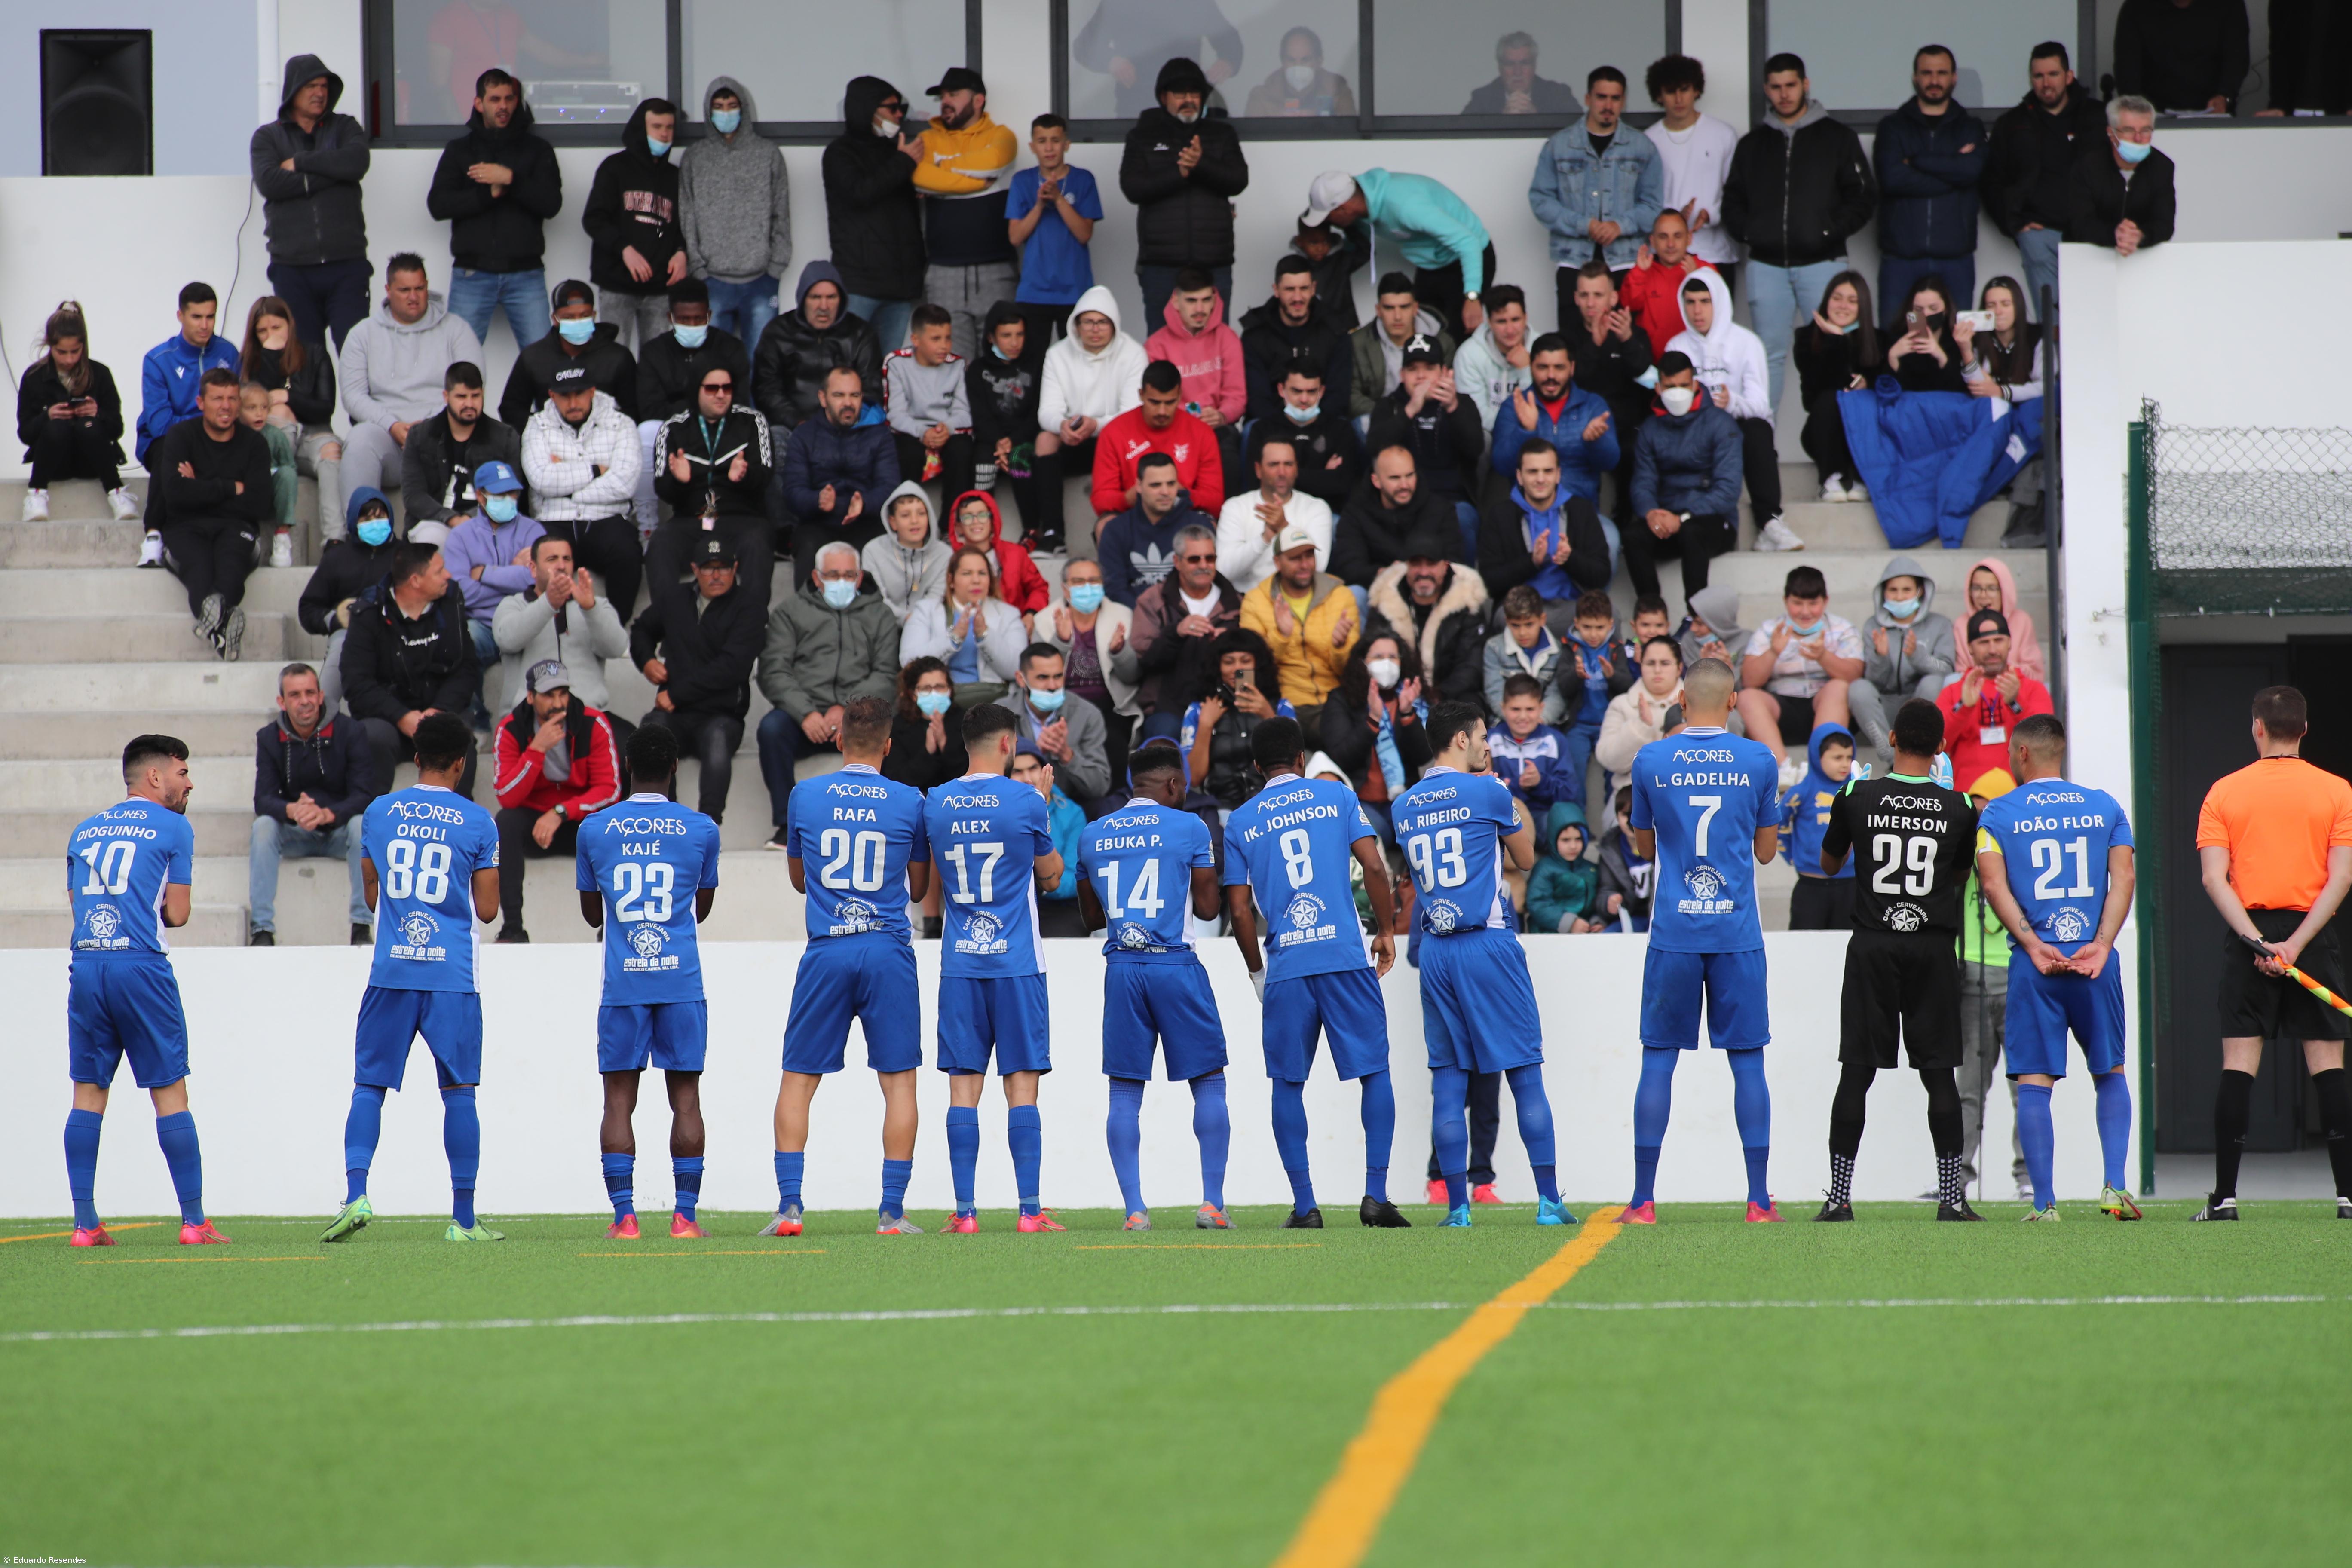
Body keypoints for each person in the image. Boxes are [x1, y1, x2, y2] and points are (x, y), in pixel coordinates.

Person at [321, 712, 503, 1244]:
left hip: (392, 971)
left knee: (369, 1087)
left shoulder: (379, 812)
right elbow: (489, 910)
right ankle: (463, 1221)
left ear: (416, 757)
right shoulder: (478, 821)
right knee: (460, 1093)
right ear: (462, 765)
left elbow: (372, 894)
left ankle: (356, 1194)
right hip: (451, 976)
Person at [1395, 703, 1575, 1227]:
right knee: (1524, 1072)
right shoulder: (1488, 791)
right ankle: (1548, 1202)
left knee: (1449, 1081)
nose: (1486, 746)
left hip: (1436, 949)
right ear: (1459, 739)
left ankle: (1456, 1208)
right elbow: (1526, 857)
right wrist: (1507, 794)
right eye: (1480, 738)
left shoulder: (1406, 805)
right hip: (1487, 942)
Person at [1224, 716, 1407, 1228]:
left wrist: (1258, 974)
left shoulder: (1241, 821)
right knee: (1374, 1072)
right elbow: (1374, 868)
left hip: (1288, 967)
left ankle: (1306, 1206)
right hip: (1345, 958)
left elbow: (1239, 911)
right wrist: (1387, 931)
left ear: (1258, 768)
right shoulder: (1338, 799)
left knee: (1287, 1083)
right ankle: (1375, 1196)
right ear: (1301, 759)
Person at [1623, 657, 1784, 1223]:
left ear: (1683, 701)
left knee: (1659, 1062)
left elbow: (1644, 849)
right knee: (1748, 1064)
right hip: (1736, 932)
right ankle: (1759, 1201)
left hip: (1675, 931)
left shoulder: (1653, 758)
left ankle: (1643, 1201)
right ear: (1735, 701)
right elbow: (1767, 852)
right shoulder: (1758, 759)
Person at [1811, 698, 1983, 1219]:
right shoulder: (1960, 807)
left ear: (1890, 740)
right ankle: (1952, 1199)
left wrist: (1846, 801)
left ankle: (1840, 1198)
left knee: (1856, 1072)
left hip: (1872, 946)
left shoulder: (1858, 796)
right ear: (1939, 749)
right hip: (1932, 948)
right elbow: (1957, 877)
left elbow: (1828, 862)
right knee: (1939, 1074)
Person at [768, 695, 933, 1235]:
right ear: (888, 745)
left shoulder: (805, 795)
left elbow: (796, 880)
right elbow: (919, 887)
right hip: (886, 948)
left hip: (827, 948)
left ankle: (789, 1207)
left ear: (839, 740)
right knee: (899, 1084)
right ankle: (892, 1212)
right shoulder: (910, 800)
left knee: (798, 1079)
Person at [2190, 686, 2352, 1221]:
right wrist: (2296, 946)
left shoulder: (2224, 792)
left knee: (2238, 1063)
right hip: (2311, 937)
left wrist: (2256, 942)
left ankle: (2224, 1200)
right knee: (2328, 1064)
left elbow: (2215, 880)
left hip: (2250, 938)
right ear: (2304, 730)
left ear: (2257, 727)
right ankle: (2349, 1199)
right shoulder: (2337, 791)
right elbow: (2342, 877)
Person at [1975, 714, 2143, 1219]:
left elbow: (1991, 885)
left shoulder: (1998, 814)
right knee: (2110, 1072)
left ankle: (2045, 1203)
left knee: (2033, 1083)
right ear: (2060, 751)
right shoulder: (2105, 806)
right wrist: (2101, 942)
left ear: (2022, 754)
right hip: (2095, 962)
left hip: (2037, 966)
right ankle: (2114, 1187)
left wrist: (2030, 942)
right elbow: (2125, 877)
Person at [62, 735, 224, 1246]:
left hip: (88, 963)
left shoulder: (84, 831)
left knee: (88, 1094)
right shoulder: (175, 826)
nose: (189, 781)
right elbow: (175, 913)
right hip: (141, 967)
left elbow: (76, 903)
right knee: (170, 1093)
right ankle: (194, 1222)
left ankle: (86, 1225)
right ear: (155, 777)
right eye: (182, 771)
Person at [1076, 739, 1234, 1228]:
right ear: (1172, 784)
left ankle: (1135, 1211)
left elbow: (1089, 917)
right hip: (1175, 966)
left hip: (1122, 967)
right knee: (1208, 1082)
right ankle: (1211, 1203)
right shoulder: (1190, 826)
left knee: (1124, 1093)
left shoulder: (1093, 834)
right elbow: (1209, 909)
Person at [922, 704, 1068, 1231]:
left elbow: (927, 881)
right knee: (1022, 1086)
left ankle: (965, 1213)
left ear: (967, 744)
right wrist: (1043, 806)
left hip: (961, 966)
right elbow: (1052, 878)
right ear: (1008, 745)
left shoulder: (935, 803)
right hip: (1018, 964)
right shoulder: (1027, 801)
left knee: (963, 1089)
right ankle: (1030, 1211)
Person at [575, 723, 723, 1240]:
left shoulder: (594, 829)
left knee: (618, 1101)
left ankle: (625, 1218)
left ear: (629, 768)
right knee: (686, 1100)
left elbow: (593, 914)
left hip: (624, 987)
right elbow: (700, 911)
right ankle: (685, 1218)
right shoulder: (703, 829)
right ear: (676, 768)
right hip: (681, 984)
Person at [1724, 53, 1877, 411]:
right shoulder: (1752, 144)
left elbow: (1863, 197)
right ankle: (1765, 451)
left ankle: (1838, 451)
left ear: (1805, 85)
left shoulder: (1838, 138)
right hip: (1767, 265)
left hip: (1824, 264)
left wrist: (1828, 230)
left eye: (1791, 85)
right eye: (1776, 87)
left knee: (1835, 352)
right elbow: (1732, 200)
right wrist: (1752, 233)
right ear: (1766, 90)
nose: (1784, 94)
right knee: (1766, 359)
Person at [756, 542, 902, 850]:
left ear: (860, 578)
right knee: (771, 729)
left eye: (849, 574)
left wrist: (850, 709)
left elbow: (887, 674)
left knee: (898, 730)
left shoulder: (881, 615)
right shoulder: (789, 613)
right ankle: (788, 825)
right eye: (833, 574)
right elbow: (774, 671)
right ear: (817, 577)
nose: (842, 581)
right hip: (806, 717)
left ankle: (887, 822)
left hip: (861, 716)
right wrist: (805, 712)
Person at [339, 256, 486, 521]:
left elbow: (472, 387)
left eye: (419, 288)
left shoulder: (457, 330)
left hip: (445, 437)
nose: (413, 297)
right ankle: (358, 535)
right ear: (388, 291)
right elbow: (353, 396)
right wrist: (392, 425)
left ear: (427, 286)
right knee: (360, 440)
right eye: (404, 290)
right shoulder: (363, 334)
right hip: (390, 438)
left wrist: (432, 425)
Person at [427, 67, 562, 349]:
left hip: (526, 275)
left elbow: (552, 205)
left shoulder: (538, 150)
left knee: (544, 364)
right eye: (495, 99)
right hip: (472, 274)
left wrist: (511, 179)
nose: (503, 106)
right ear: (479, 103)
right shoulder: (459, 150)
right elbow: (438, 206)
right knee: (460, 363)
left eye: (509, 99)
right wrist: (488, 194)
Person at [490, 658, 622, 941]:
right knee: (505, 823)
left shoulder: (593, 722)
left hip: (578, 824)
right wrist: (536, 750)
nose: (558, 703)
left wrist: (562, 811)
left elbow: (609, 790)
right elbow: (507, 796)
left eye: (563, 693)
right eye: (549, 696)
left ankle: (611, 926)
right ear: (530, 697)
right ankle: (513, 927)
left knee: (612, 825)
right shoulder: (511, 729)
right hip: (535, 826)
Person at [633, 536, 762, 824]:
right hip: (675, 715)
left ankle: (709, 824)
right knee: (651, 733)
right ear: (694, 569)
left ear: (736, 568)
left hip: (723, 714)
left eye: (724, 567)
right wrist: (647, 660)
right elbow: (641, 629)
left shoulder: (749, 607)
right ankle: (665, 818)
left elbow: (732, 668)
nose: (716, 575)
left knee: (717, 742)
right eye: (708, 567)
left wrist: (676, 695)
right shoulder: (676, 598)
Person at [1666, 268, 1796, 551]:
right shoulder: (1677, 345)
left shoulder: (1746, 342)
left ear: (1720, 301)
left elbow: (1761, 405)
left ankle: (1771, 522)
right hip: (1695, 432)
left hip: (1737, 431)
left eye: (1705, 301)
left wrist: (1731, 402)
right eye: (1690, 302)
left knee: (1758, 429)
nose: (1697, 311)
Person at [146, 369, 272, 660]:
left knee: (230, 565)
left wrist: (198, 488)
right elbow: (175, 495)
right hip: (185, 527)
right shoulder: (181, 436)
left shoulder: (255, 444)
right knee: (199, 568)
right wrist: (231, 488)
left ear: (239, 403)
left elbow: (259, 504)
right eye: (217, 399)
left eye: (232, 399)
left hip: (237, 528)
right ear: (201, 403)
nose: (226, 406)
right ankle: (224, 632)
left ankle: (214, 622)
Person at [341, 542, 481, 799]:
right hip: (389, 718)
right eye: (440, 571)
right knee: (372, 737)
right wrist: (402, 716)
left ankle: (454, 824)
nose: (448, 576)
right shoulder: (369, 612)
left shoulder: (450, 600)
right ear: (416, 581)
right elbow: (356, 682)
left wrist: (438, 711)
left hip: (440, 711)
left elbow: (466, 667)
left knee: (456, 737)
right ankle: (372, 817)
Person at [251, 55, 371, 351]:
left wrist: (302, 162)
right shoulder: (268, 136)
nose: (320, 93)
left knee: (358, 356)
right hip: (292, 270)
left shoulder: (345, 127)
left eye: (324, 86)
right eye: (311, 86)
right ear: (293, 90)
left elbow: (357, 162)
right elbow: (270, 183)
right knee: (306, 364)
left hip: (347, 266)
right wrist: (332, 174)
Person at [250, 662, 374, 946]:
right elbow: (263, 799)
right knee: (264, 827)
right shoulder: (269, 738)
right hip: (298, 831)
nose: (304, 701)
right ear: (282, 702)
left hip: (340, 831)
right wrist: (293, 810)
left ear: (321, 696)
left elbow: (364, 795)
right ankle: (262, 931)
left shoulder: (351, 732)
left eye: (310, 693)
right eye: (295, 695)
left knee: (362, 825)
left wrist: (327, 813)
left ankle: (361, 926)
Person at [1121, 57, 1250, 327]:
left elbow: (1239, 180)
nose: (1188, 100)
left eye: (1195, 93)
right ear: (1163, 97)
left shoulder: (1222, 134)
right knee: (1162, 350)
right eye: (1180, 93)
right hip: (1160, 267)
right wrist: (1178, 173)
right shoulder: (1141, 136)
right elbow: (1133, 188)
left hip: (1214, 264)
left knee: (1215, 349)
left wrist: (1201, 164)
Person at [1528, 66, 1664, 315]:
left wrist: (1619, 226)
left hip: (1626, 260)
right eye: (1601, 97)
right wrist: (1584, 225)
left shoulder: (1643, 148)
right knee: (1574, 341)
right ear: (1588, 98)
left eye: (1615, 98)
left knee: (1624, 337)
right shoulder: (1559, 146)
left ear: (1624, 101)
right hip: (1574, 260)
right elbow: (1541, 201)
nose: (1608, 105)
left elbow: (1654, 206)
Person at [1304, 169, 1494, 341]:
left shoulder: (1406, 206)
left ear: (1344, 209)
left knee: (1457, 336)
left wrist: (1472, 298)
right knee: (1418, 335)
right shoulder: (1360, 211)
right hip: (1432, 265)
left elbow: (1468, 242)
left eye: (1328, 217)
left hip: (1469, 257)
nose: (1329, 224)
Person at [1985, 43, 2106, 312]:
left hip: (2092, 233)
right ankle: (2053, 355)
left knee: (2094, 315)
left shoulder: (2097, 117)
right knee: (2052, 322)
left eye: (2053, 74)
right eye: (2038, 76)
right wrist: (2014, 224)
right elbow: (1992, 180)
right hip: (2041, 236)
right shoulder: (2013, 123)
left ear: (2069, 76)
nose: (2046, 83)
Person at [1956, 765, 2030, 1200]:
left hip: (2019, 979)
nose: (1980, 822)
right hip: (1970, 980)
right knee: (1968, 1091)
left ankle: (2028, 1179)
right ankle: (1957, 1179)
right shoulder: (1963, 857)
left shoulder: (2022, 857)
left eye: (1990, 813)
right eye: (1976, 811)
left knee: (2027, 1090)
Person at [1873, 46, 1988, 329]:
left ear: (1954, 78)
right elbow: (1893, 179)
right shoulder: (1893, 127)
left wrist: (1917, 161)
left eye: (1941, 73)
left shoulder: (1970, 127)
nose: (1934, 80)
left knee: (1955, 341)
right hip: (1902, 261)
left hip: (1955, 260)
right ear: (1915, 78)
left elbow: (1971, 172)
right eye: (1927, 73)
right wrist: (1952, 172)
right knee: (1897, 337)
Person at [523, 364, 646, 622]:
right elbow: (542, 480)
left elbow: (624, 484)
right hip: (554, 519)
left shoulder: (621, 424)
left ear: (593, 391)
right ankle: (558, 633)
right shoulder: (537, 425)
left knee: (626, 550)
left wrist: (566, 489)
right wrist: (596, 470)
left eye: (579, 394)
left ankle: (615, 628)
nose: (573, 402)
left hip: (606, 518)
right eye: (565, 396)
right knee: (542, 556)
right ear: (552, 396)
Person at [646, 360, 774, 609]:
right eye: (712, 388)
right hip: (691, 520)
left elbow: (766, 477)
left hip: (743, 519)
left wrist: (744, 476)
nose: (721, 395)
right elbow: (662, 489)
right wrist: (680, 482)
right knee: (661, 542)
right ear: (696, 389)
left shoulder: (753, 421)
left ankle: (751, 626)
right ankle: (669, 626)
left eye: (727, 388)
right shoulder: (673, 428)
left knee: (757, 542)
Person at [912, 68, 1019, 361]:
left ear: (978, 100)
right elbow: (918, 176)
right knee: (951, 369)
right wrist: (976, 181)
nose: (945, 101)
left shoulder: (1002, 136)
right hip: (943, 273)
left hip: (997, 272)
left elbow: (994, 162)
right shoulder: (927, 139)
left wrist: (942, 172)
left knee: (1001, 366)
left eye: (954, 95)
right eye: (943, 96)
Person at [678, 76, 790, 349]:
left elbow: (781, 212)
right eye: (718, 106)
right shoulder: (695, 157)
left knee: (762, 364)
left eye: (731, 105)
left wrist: (776, 266)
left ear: (744, 108)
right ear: (708, 111)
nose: (726, 112)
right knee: (716, 367)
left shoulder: (768, 154)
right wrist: (698, 267)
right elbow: (687, 213)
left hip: (762, 280)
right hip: (712, 281)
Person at [1035, 287, 1149, 553]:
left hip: (1118, 442)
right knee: (1044, 439)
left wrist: (1096, 425)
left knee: (1138, 438)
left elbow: (1133, 414)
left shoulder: (1133, 354)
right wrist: (1061, 426)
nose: (1095, 329)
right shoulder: (1057, 354)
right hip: (1075, 439)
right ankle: (1053, 533)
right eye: (1088, 322)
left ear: (1114, 324)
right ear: (1076, 324)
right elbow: (1047, 411)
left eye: (1102, 322)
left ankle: (1126, 530)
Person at [634, 280, 755, 524]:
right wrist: (694, 413)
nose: (691, 325)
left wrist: (706, 411)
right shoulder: (654, 352)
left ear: (709, 316)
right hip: (674, 429)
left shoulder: (730, 348)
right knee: (645, 431)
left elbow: (739, 401)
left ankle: (733, 517)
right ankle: (647, 526)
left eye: (698, 319)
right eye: (684, 320)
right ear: (671, 317)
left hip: (721, 425)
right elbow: (650, 408)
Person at [1626, 352, 1743, 604]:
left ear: (1694, 384)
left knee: (1692, 532)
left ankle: (1696, 619)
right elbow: (1643, 482)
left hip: (1712, 523)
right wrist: (1650, 513)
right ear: (1658, 388)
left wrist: (1684, 517)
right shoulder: (1650, 429)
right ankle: (1651, 615)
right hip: (1667, 521)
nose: (1677, 392)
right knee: (1634, 536)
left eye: (1683, 385)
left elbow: (1728, 491)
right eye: (1669, 387)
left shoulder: (1721, 424)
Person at [824, 77, 927, 352]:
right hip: (859, 284)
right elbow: (860, 192)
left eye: (902, 108)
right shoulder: (839, 153)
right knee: (849, 368)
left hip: (900, 286)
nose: (900, 115)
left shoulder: (897, 152)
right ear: (868, 109)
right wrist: (904, 164)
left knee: (884, 373)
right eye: (893, 108)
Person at [1739, 564, 1863, 781]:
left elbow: (1855, 675)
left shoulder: (1843, 629)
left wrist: (1824, 656)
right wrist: (1774, 652)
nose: (1805, 612)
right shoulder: (1770, 630)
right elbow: (1749, 680)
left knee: (1840, 687)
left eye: (1813, 604)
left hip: (1827, 707)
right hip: (1780, 709)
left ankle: (1819, 767)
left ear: (1826, 601)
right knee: (1747, 697)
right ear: (1786, 601)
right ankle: (1782, 768)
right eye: (1797, 604)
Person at [582, 98, 685, 356]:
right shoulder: (614, 168)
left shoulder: (676, 177)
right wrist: (624, 249)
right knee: (613, 361)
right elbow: (594, 218)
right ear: (642, 128)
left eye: (670, 127)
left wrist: (683, 252)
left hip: (661, 288)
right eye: (657, 126)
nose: (664, 134)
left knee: (659, 364)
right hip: (617, 284)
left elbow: (687, 224)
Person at [437, 459, 542, 708]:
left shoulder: (534, 531)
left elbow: (536, 580)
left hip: (526, 621)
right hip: (483, 624)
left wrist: (484, 573)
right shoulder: (461, 536)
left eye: (512, 493)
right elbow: (461, 592)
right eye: (500, 493)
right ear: (481, 497)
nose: (509, 498)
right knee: (462, 640)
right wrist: (514, 574)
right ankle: (478, 723)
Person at [784, 364, 900, 588]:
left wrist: (865, 504)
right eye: (839, 395)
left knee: (876, 551)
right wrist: (817, 501)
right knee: (808, 546)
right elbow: (792, 492)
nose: (848, 403)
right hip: (818, 523)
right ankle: (807, 621)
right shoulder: (804, 435)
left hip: (866, 521)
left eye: (854, 395)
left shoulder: (880, 434)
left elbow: (890, 488)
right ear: (823, 398)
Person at [136, 283, 242, 528]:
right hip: (172, 441)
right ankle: (154, 534)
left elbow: (237, 408)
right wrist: (210, 424)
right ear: (180, 316)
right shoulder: (158, 360)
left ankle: (245, 531)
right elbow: (161, 425)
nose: (205, 326)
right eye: (197, 317)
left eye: (211, 317)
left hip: (219, 438)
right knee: (167, 448)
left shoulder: (229, 353)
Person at [18, 302, 132, 524]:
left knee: (88, 425)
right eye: (62, 352)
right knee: (56, 426)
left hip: (92, 460)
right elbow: (25, 434)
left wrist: (97, 414)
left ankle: (117, 492)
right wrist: (47, 416)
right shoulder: (34, 377)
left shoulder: (100, 374)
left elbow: (117, 429)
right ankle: (37, 494)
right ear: (49, 346)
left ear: (84, 346)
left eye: (75, 352)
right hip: (53, 462)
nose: (70, 360)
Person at [240, 295, 343, 541]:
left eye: (277, 328)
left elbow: (325, 409)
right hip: (275, 443)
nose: (271, 336)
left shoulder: (315, 354)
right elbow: (254, 412)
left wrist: (289, 397)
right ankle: (278, 525)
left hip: (312, 437)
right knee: (277, 412)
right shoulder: (250, 361)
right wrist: (268, 357)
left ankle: (335, 538)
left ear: (290, 325)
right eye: (262, 331)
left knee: (331, 450)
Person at [1562, 262, 1657, 527]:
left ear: (1614, 298)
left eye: (1598, 295)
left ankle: (1626, 521)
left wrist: (1626, 340)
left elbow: (1647, 377)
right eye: (1585, 295)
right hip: (1579, 423)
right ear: (1576, 299)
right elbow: (1569, 382)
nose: (1591, 303)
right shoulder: (1568, 338)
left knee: (1634, 449)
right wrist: (1594, 344)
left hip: (1627, 425)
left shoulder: (1634, 333)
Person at [1366, 337, 1483, 550]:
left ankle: (1464, 583)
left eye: (1429, 368)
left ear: (1443, 372)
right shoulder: (1389, 406)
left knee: (1464, 519)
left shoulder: (1462, 403)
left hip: (1453, 501)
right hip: (1403, 500)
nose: (1421, 376)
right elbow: (1374, 449)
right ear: (1402, 375)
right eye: (1413, 369)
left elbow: (1475, 449)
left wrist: (1453, 408)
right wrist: (1410, 411)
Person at [1128, 524, 1241, 743]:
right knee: (1163, 744)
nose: (1204, 565)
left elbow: (1249, 666)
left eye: (1210, 558)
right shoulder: (1153, 600)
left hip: (1226, 704)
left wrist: (1228, 645)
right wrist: (1176, 633)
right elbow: (1144, 662)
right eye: (1194, 559)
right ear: (1177, 562)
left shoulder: (1237, 603)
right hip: (1167, 707)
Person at [1958, 276, 2050, 545]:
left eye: (2005, 304)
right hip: (1996, 414)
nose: (1998, 311)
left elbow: (2046, 386)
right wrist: (1966, 350)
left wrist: (2003, 391)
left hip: (2028, 414)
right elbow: (1978, 388)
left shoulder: (2037, 336)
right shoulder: (1980, 338)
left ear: (2018, 306)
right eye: (1991, 305)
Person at [493, 533, 629, 714]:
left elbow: (617, 648)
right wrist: (548, 604)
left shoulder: (596, 605)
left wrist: (591, 609)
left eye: (567, 559)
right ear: (533, 569)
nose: (562, 566)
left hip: (589, 715)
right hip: (527, 717)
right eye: (552, 559)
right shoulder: (513, 605)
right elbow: (507, 640)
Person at [1365, 521, 1491, 712]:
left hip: (1449, 695)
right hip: (1397, 694)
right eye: (1416, 564)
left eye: (1431, 564)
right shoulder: (1385, 601)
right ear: (1407, 567)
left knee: (1472, 703)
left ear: (1445, 566)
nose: (1424, 572)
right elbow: (1374, 656)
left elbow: (1471, 667)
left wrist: (1437, 696)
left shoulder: (1468, 602)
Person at [1477, 438, 1611, 616]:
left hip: (1570, 608)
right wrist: (1532, 562)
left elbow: (1602, 576)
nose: (1541, 479)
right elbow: (1488, 583)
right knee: (1505, 617)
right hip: (1520, 612)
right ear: (1520, 477)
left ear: (1558, 475)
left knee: (1612, 617)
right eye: (1533, 472)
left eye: (1548, 471)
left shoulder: (1581, 510)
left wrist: (1570, 559)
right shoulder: (1500, 516)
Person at [1644, 54, 1742, 299]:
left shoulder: (1724, 135)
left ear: (1696, 90)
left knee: (1715, 331)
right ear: (1659, 96)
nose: (1679, 99)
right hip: (1664, 257)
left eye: (1685, 90)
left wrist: (1710, 214)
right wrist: (1673, 220)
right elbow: (1642, 199)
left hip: (1715, 253)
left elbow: (1738, 193)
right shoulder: (1647, 141)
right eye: (1670, 91)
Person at [754, 263, 882, 446]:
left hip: (846, 426)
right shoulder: (778, 332)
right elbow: (767, 390)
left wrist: (841, 425)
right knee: (775, 439)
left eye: (831, 297)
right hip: (792, 428)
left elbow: (872, 390)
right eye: (816, 297)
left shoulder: (861, 333)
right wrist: (799, 423)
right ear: (803, 299)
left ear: (842, 300)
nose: (824, 306)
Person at [299, 488, 402, 715]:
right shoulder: (336, 558)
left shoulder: (405, 555)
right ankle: (321, 722)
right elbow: (308, 608)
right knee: (340, 651)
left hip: (397, 632)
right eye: (366, 518)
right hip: (350, 633)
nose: (374, 523)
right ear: (354, 521)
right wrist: (336, 619)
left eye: (380, 516)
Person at [1490, 334, 1620, 512]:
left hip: (1582, 515)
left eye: (1559, 368)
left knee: (1611, 540)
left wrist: (1595, 441)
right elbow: (1502, 466)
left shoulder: (1592, 406)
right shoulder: (1515, 406)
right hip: (1527, 514)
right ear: (1531, 368)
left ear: (1572, 368)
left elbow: (1610, 463)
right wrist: (1526, 431)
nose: (1551, 376)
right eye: (1543, 367)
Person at [1318, 635, 1431, 838]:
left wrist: (1407, 714)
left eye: (1393, 657)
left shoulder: (1411, 698)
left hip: (1404, 800)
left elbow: (1424, 756)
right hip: (1359, 802)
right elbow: (1342, 758)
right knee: (1376, 833)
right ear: (1362, 662)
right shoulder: (1342, 699)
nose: (1386, 663)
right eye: (1378, 657)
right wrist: (1373, 720)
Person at [1007, 113, 1102, 352]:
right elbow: (1015, 237)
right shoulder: (1022, 181)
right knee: (1033, 367)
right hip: (1034, 292)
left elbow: (1084, 234)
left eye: (1055, 140)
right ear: (1032, 146)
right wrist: (1039, 205)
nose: (1049, 148)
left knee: (1078, 365)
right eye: (1042, 141)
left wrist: (1058, 199)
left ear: (1067, 144)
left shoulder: (1083, 179)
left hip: (1075, 291)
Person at [1848, 557, 1957, 765]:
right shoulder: (1873, 626)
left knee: (1933, 682)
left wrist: (1918, 657)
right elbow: (1873, 681)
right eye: (1893, 590)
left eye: (1907, 590)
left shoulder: (1940, 624)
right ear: (1883, 594)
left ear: (1921, 591)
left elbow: (1946, 669)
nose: (1899, 597)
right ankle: (1892, 761)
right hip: (1885, 709)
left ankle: (1920, 752)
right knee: (1858, 688)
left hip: (1921, 704)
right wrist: (1881, 658)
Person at [401, 363, 522, 542]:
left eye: (475, 396)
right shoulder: (420, 436)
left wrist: (471, 518)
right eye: (461, 397)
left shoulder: (506, 437)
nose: (469, 404)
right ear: (446, 396)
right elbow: (413, 496)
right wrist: (452, 519)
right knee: (431, 539)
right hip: (434, 522)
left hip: (488, 522)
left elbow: (512, 492)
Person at [498, 279, 640, 431]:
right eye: (569, 317)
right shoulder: (533, 357)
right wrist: (543, 429)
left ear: (594, 315)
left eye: (584, 315)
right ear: (555, 319)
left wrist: (604, 430)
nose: (577, 322)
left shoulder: (618, 357)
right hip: (549, 441)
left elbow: (634, 409)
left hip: (606, 439)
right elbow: (511, 409)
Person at [1094, 361, 1225, 523]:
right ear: (1141, 395)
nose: (1162, 411)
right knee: (1105, 524)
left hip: (1185, 513)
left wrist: (1180, 494)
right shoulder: (1114, 432)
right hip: (1132, 514)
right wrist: (1129, 499)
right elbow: (1100, 501)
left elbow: (1215, 501)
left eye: (1170, 403)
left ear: (1180, 396)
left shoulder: (1202, 433)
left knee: (1209, 523)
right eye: (1154, 402)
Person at [1180, 628, 1296, 809]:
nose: (1237, 669)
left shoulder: (1280, 706)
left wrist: (1269, 716)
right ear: (1218, 667)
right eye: (1228, 662)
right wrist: (1205, 725)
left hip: (1275, 804)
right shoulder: (1198, 710)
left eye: (1246, 661)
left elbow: (1297, 767)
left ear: (1258, 665)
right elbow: (1194, 777)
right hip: (1221, 807)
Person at [1146, 269, 1248, 477]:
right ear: (1176, 302)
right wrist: (1190, 417)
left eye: (1206, 300)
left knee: (1229, 459)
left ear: (1215, 300)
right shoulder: (1156, 346)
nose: (1200, 309)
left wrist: (1221, 415)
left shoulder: (1228, 339)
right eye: (1192, 301)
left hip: (1218, 428)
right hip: (1172, 428)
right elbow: (1155, 401)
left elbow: (1236, 395)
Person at [1792, 271, 1882, 503]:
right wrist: (1836, 341)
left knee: (1865, 401)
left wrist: (1867, 384)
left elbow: (1886, 388)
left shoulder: (1879, 340)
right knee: (1831, 398)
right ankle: (1829, 478)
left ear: (1863, 306)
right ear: (1826, 301)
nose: (1843, 306)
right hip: (1824, 433)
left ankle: (1861, 478)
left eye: (1853, 301)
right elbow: (1813, 397)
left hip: (1864, 435)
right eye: (1837, 298)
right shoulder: (1806, 337)